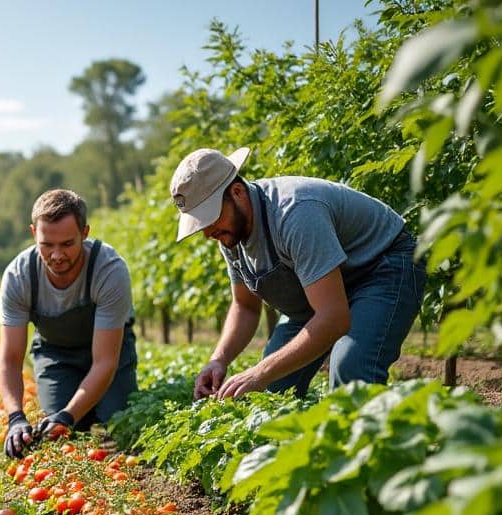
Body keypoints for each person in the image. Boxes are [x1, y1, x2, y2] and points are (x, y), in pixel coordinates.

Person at [169, 147, 426, 400]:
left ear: (236, 192)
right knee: (276, 386)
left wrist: (259, 371)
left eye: (210, 218)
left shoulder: (294, 214)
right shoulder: (230, 234)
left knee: (352, 370)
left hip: (381, 267)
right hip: (319, 293)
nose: (207, 232)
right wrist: (219, 359)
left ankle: (382, 439)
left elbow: (334, 317)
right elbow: (245, 307)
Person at [0, 189, 138, 459]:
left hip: (110, 354)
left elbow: (105, 361)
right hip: (56, 354)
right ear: (33, 234)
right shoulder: (19, 276)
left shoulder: (108, 269)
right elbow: (10, 358)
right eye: (47, 245)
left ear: (84, 233)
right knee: (60, 427)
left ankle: (102, 407)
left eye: (67, 244)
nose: (57, 255)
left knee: (119, 423)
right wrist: (15, 417)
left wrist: (69, 415)